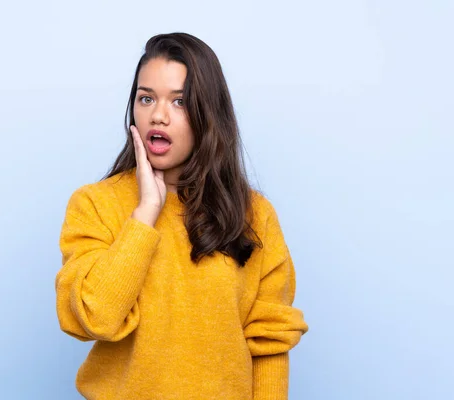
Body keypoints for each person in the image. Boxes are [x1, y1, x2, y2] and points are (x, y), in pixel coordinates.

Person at [55, 32, 309, 400]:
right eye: (146, 98)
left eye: (179, 102)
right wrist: (145, 214)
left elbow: (268, 340)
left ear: (207, 113)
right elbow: (95, 317)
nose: (158, 115)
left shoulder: (255, 215)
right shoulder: (95, 204)